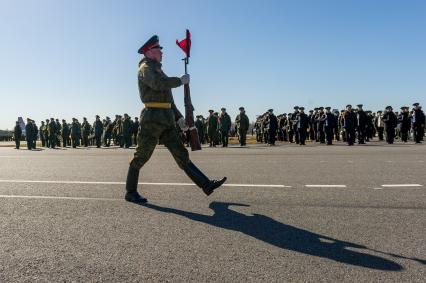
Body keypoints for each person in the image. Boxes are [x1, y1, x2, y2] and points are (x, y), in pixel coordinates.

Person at [125, 35, 226, 204]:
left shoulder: (158, 69)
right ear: (149, 52)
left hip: (166, 119)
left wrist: (179, 118)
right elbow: (158, 83)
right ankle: (130, 191)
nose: (162, 52)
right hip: (152, 118)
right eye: (158, 49)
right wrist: (179, 81)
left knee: (181, 153)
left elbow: (168, 101)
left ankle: (205, 184)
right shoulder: (145, 68)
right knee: (142, 155)